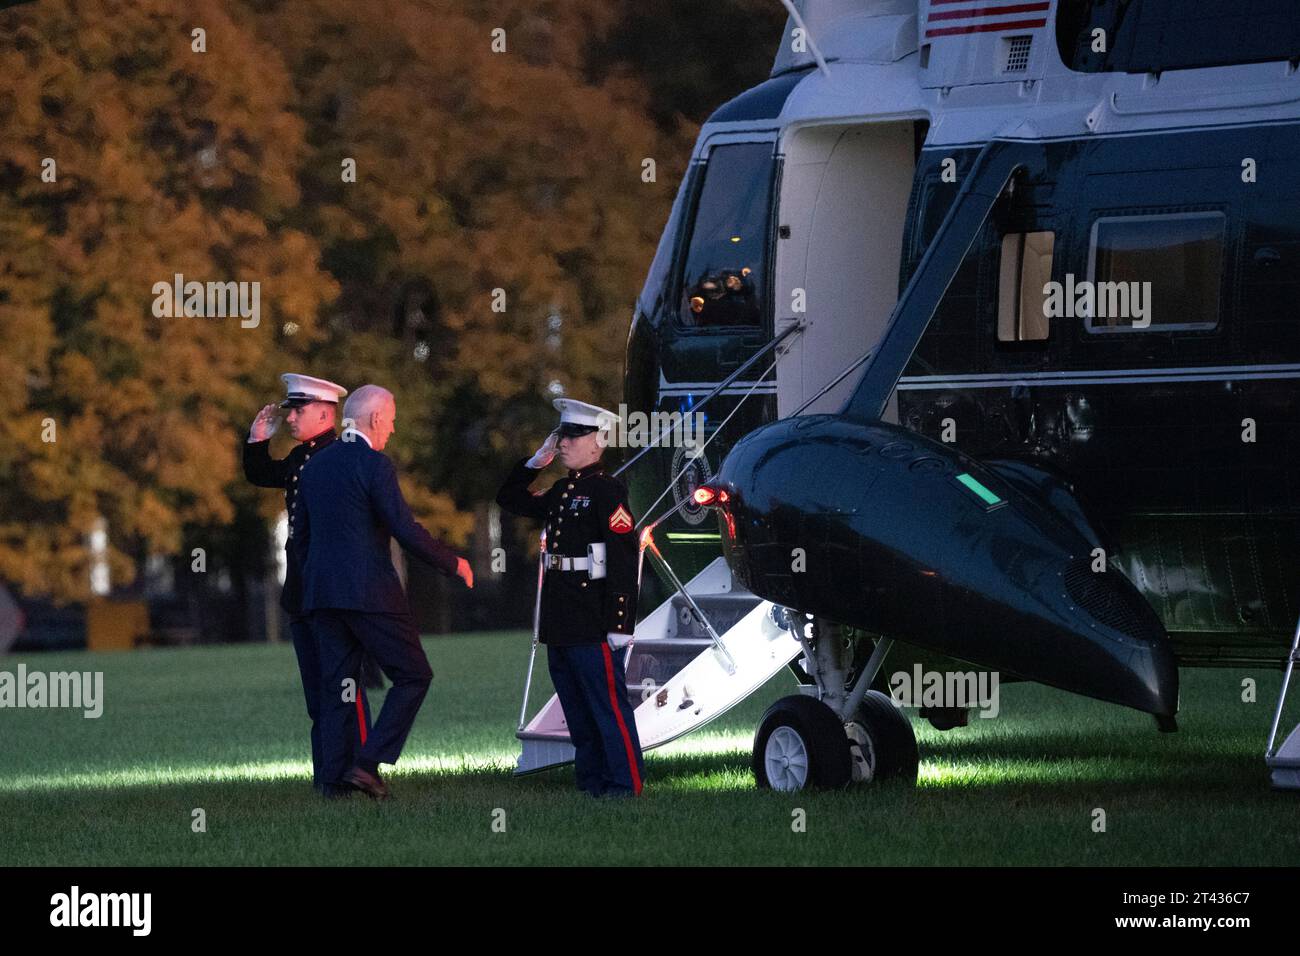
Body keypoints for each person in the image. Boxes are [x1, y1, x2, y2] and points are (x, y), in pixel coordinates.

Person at [294, 384, 474, 800]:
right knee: (413, 675)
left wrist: (317, 581)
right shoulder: (374, 465)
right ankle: (368, 764)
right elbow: (403, 529)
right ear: (375, 419)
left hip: (322, 596)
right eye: (390, 420)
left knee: (338, 689)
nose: (391, 429)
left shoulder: (316, 468)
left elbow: (299, 538)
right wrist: (453, 563)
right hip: (370, 595)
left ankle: (333, 787)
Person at [496, 399, 645, 797]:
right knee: (576, 710)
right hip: (561, 617)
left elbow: (622, 558)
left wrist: (619, 623)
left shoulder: (607, 491)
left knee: (606, 707)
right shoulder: (562, 490)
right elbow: (509, 499)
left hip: (593, 616)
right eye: (561, 435)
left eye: (573, 436)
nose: (563, 443)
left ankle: (625, 784)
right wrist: (536, 462)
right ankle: (592, 782)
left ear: (597, 442)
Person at [244, 373, 371, 798]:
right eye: (290, 409)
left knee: (344, 693)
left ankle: (357, 775)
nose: (291, 417)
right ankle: (328, 782)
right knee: (319, 697)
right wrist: (258, 439)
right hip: (303, 590)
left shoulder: (342, 456)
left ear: (324, 412)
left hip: (334, 591)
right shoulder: (301, 458)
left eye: (298, 410)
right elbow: (265, 474)